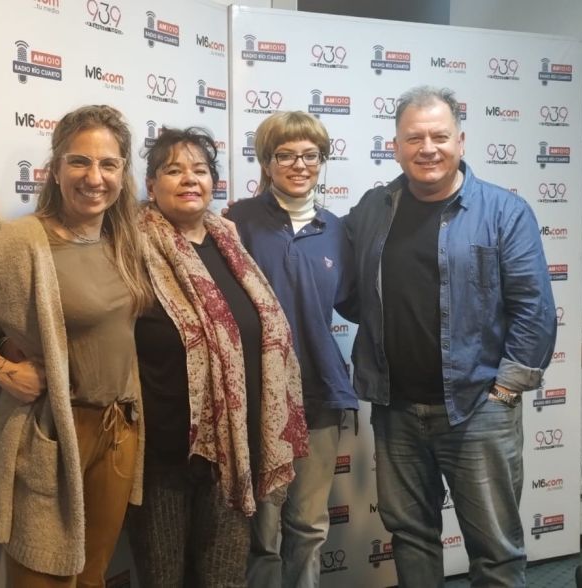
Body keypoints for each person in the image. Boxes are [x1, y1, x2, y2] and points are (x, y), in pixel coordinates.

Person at [0, 105, 154, 587]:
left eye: (109, 164)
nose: (94, 177)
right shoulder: (21, 242)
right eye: (79, 161)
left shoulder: (123, 239)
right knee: (41, 577)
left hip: (119, 428)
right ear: (55, 170)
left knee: (93, 575)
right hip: (54, 435)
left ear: (123, 173)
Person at [343, 86, 557, 587]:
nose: (427, 148)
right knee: (412, 539)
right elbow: (345, 284)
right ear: (395, 146)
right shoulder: (374, 209)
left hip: (478, 408)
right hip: (396, 411)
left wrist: (505, 390)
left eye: (439, 136)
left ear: (460, 141)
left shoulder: (505, 211)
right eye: (414, 137)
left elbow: (535, 309)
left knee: (496, 551)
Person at [128, 127, 308, 588]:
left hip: (234, 448)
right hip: (162, 454)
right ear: (150, 186)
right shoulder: (127, 246)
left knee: (224, 577)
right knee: (163, 578)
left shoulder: (228, 239)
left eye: (200, 170)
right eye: (173, 170)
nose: (190, 179)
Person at [225, 111, 359, 588]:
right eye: (285, 154)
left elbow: (358, 302)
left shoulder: (338, 230)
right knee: (262, 530)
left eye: (310, 155)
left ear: (322, 160)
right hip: (260, 398)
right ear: (266, 161)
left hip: (320, 393)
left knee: (307, 525)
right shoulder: (235, 222)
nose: (299, 164)